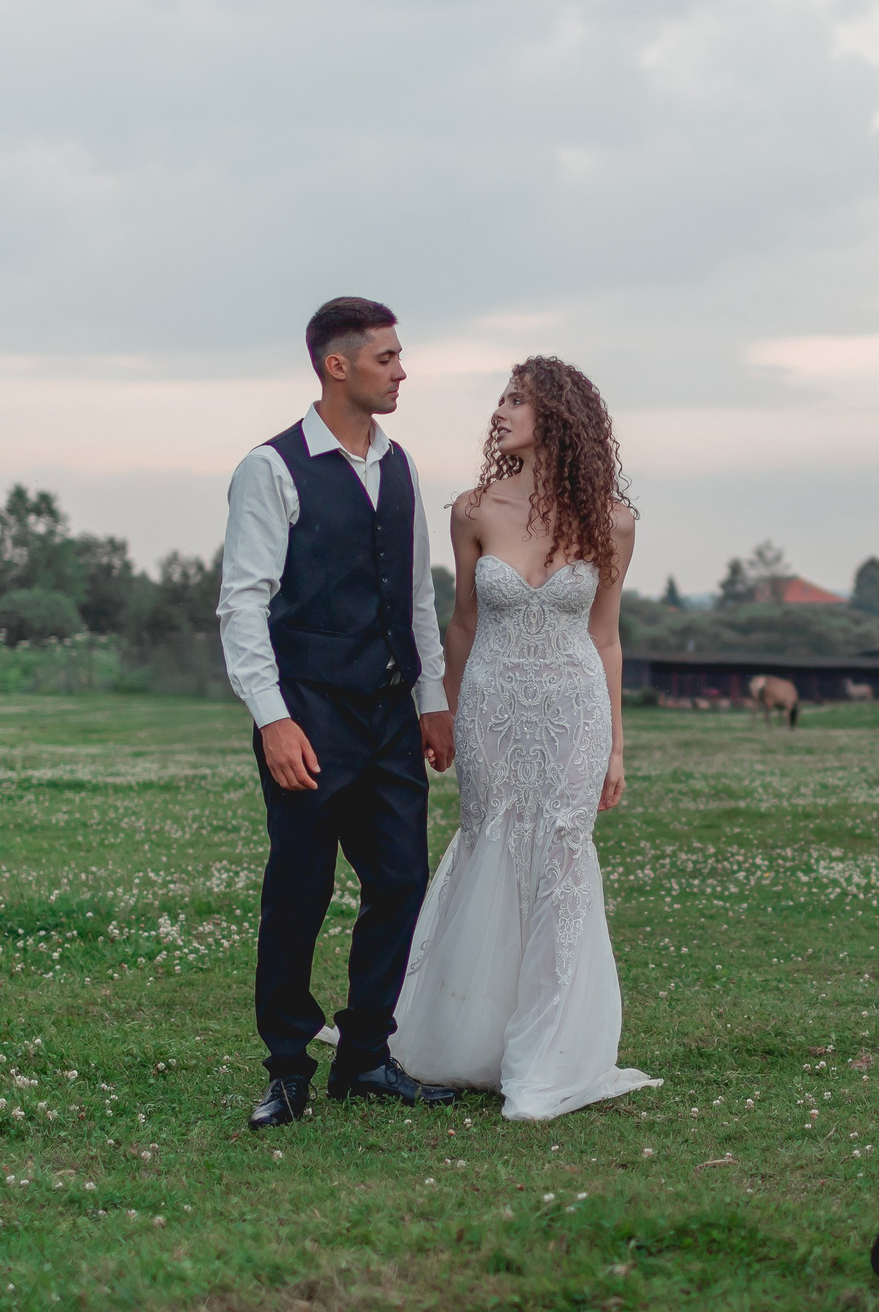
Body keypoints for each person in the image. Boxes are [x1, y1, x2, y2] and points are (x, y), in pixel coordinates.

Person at [389, 357, 659, 1120]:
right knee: (494, 845)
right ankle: (468, 1037)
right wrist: (436, 709)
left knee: (565, 858)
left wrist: (614, 745)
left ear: (559, 418)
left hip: (574, 707)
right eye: (500, 398)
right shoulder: (473, 510)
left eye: (516, 400)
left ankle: (548, 1055)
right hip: (492, 706)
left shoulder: (613, 520)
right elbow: (464, 621)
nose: (499, 412)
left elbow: (605, 638)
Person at [218, 297, 461, 1130]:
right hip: (309, 712)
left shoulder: (401, 466)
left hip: (392, 715)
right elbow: (242, 605)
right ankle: (287, 1066)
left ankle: (363, 1056)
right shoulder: (271, 468)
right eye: (387, 358)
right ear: (337, 365)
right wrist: (272, 718)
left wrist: (432, 701)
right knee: (300, 889)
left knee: (399, 881)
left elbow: (420, 599)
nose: (401, 371)